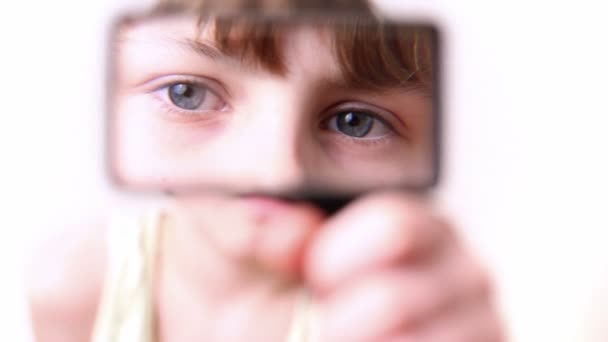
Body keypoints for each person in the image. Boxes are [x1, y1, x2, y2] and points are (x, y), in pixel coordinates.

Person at [27, 0, 504, 341]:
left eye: (353, 122)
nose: (279, 170)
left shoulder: (391, 314)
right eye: (187, 94)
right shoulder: (76, 283)